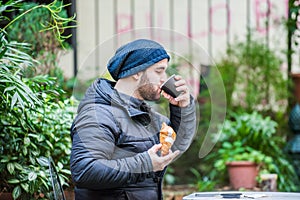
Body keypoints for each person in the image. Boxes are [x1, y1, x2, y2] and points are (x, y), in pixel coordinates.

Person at [70, 39, 196, 200]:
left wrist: (182, 108)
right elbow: (85, 171)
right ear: (136, 72)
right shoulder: (98, 114)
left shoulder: (147, 115)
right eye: (159, 71)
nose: (164, 79)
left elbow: (176, 146)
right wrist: (145, 164)